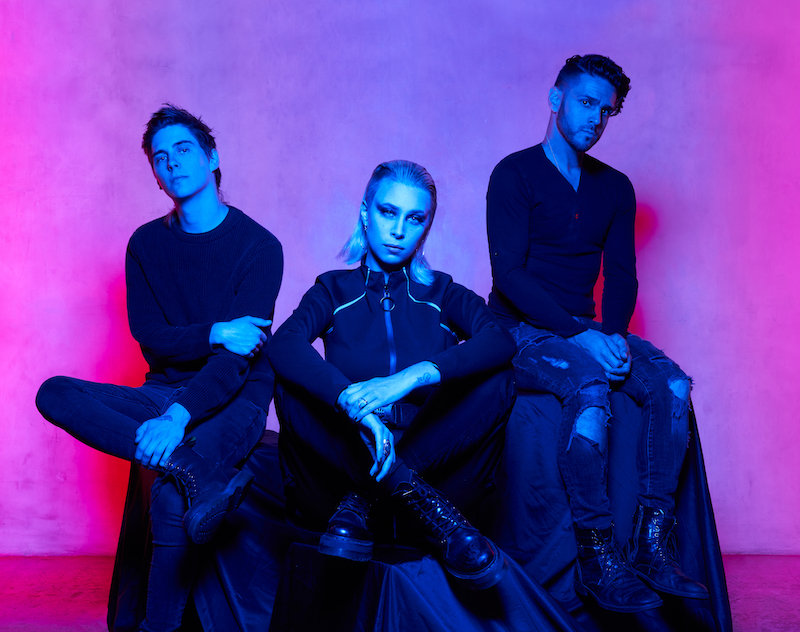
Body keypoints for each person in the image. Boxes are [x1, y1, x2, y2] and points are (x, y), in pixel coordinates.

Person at [35, 105, 283, 631]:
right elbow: (150, 335)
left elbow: (236, 364)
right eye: (160, 157)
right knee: (53, 392)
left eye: (184, 150)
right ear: (154, 174)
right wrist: (215, 331)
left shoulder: (260, 247)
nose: (172, 163)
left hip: (236, 396)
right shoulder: (146, 244)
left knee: (169, 497)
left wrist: (177, 417)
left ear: (212, 157)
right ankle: (190, 469)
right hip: (164, 387)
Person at [486, 55, 708, 612]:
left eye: (606, 111)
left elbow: (623, 274)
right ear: (555, 99)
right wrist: (580, 339)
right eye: (586, 103)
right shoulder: (513, 174)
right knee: (589, 389)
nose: (596, 119)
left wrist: (611, 335)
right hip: (521, 330)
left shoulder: (615, 187)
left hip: (583, 327)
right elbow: (508, 275)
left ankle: (651, 544)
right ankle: (597, 556)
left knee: (673, 386)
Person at [269, 160, 515, 589]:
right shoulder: (333, 289)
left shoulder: (443, 292)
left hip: (432, 461)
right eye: (388, 212)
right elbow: (284, 344)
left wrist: (412, 376)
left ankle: (372, 495)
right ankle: (398, 491)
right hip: (350, 453)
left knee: (500, 378)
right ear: (366, 213)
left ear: (426, 227)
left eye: (414, 218)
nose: (398, 230)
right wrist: (352, 402)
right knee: (288, 381)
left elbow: (499, 340)